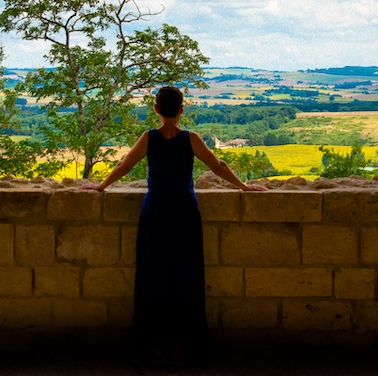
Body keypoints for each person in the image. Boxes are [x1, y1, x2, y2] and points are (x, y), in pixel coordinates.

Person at [80, 85, 267, 368]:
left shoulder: (149, 138)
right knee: (185, 276)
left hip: (155, 211)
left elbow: (123, 167)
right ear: (182, 110)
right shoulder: (191, 139)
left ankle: (154, 344)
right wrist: (243, 186)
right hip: (184, 211)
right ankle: (182, 344)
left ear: (156, 109)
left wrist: (100, 186)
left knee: (154, 275)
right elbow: (217, 166)